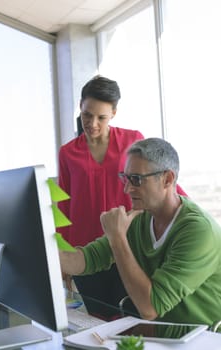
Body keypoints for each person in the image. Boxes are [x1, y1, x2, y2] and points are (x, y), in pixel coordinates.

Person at [57, 76, 187, 319]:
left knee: (134, 319)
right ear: (80, 107)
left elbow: (158, 179)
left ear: (113, 113)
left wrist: (190, 210)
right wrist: (63, 257)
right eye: (87, 114)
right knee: (97, 320)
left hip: (130, 246)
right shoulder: (67, 153)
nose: (92, 123)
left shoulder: (132, 140)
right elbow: (64, 205)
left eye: (101, 117)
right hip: (86, 251)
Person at [59, 137, 221, 329]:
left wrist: (117, 238)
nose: (127, 188)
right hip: (163, 336)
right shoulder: (139, 219)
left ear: (167, 179)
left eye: (136, 179)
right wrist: (40, 253)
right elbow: (88, 258)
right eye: (125, 178)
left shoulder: (197, 231)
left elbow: (150, 307)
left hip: (205, 340)